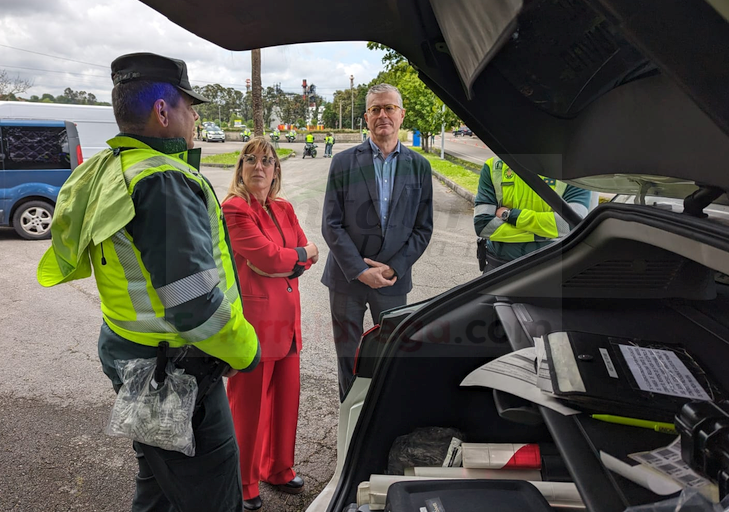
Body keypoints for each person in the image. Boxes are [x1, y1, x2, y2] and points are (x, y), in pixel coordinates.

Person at [36, 52, 260, 511]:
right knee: (212, 495)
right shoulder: (162, 179)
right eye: (189, 107)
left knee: (159, 485)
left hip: (131, 355)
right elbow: (192, 302)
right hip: (173, 372)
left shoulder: (107, 168)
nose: (195, 117)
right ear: (162, 111)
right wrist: (245, 351)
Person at [222, 137, 319, 511]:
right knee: (247, 408)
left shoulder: (284, 207)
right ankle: (243, 481)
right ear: (241, 169)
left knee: (286, 402)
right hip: (255, 325)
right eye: (251, 160)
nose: (259, 166)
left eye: (267, 160)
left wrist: (291, 259)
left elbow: (294, 256)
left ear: (276, 169)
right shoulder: (235, 209)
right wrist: (297, 257)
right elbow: (268, 256)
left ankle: (278, 468)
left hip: (288, 323)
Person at [321, 83, 434, 401]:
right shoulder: (343, 163)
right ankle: (350, 415)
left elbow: (423, 229)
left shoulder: (420, 167)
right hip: (346, 281)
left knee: (390, 356)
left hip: (392, 282)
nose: (383, 114)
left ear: (401, 115)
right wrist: (359, 270)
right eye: (375, 109)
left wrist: (394, 268)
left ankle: (380, 417)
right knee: (348, 357)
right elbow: (331, 223)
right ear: (366, 117)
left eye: (389, 108)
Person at [473, 156, 591, 271]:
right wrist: (546, 234)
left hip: (552, 270)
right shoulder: (494, 166)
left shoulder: (575, 171)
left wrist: (510, 215)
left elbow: (570, 225)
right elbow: (484, 226)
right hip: (498, 269)